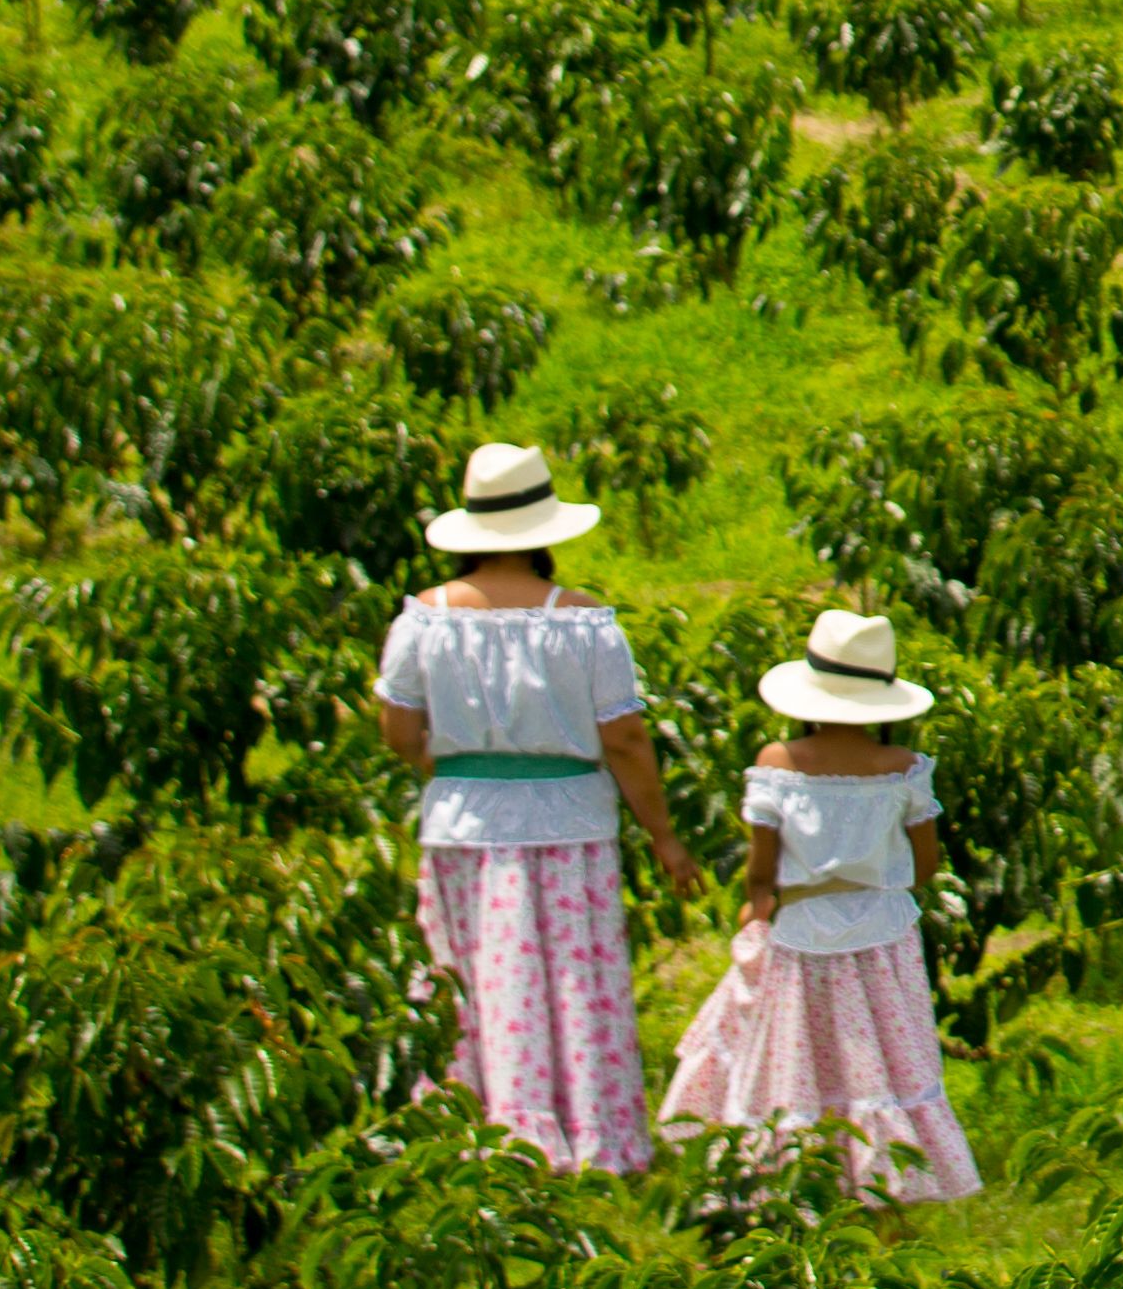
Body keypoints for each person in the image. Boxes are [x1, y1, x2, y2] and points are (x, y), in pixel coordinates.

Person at [369, 440, 700, 1171]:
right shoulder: (582, 623)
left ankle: (480, 1129)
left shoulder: (423, 620)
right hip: (568, 821)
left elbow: (398, 726)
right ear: (545, 532)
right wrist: (663, 836)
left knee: (477, 974)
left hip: (462, 824)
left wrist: (452, 769)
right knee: (572, 978)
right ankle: (587, 1132)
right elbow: (624, 738)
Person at [657, 607, 982, 1202]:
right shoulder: (903, 770)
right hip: (882, 934)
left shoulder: (778, 765)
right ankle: (885, 1180)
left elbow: (762, 865)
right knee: (882, 1058)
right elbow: (926, 866)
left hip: (803, 929)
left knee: (800, 1054)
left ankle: (792, 1180)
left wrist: (760, 903)